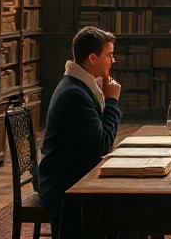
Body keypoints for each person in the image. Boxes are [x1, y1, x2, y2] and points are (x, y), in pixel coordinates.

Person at [38, 26, 123, 239]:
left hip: (75, 172)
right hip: (64, 184)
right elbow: (103, 143)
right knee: (132, 209)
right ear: (93, 58)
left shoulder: (80, 86)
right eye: (109, 55)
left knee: (136, 205)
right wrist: (112, 101)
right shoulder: (75, 94)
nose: (113, 61)